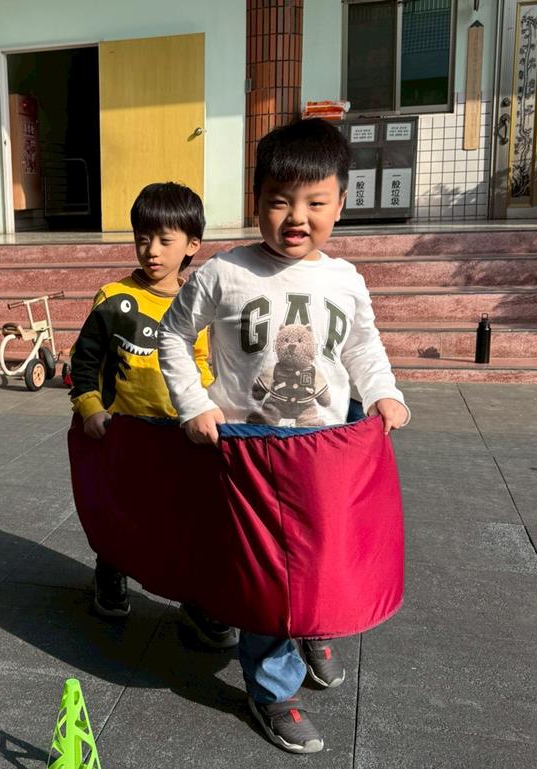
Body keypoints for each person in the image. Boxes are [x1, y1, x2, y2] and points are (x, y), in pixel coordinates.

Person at [157, 118, 409, 754]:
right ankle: (274, 688)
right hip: (247, 446)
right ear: (256, 201)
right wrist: (193, 404)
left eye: (315, 203)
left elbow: (362, 345)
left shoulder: (344, 279)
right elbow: (173, 336)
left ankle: (313, 627)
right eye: (279, 201)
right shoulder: (224, 273)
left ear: (340, 203)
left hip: (325, 447)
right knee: (268, 572)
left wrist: (384, 391)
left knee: (324, 552)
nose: (297, 218)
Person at [69, 181, 237, 649]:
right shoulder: (113, 298)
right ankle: (110, 572)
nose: (152, 251)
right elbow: (84, 360)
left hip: (180, 435)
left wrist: (212, 409)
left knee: (185, 521)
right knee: (118, 512)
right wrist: (90, 407)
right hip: (121, 433)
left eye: (165, 240)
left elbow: (206, 364)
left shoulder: (199, 302)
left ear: (192, 245)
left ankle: (196, 599)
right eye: (143, 238)